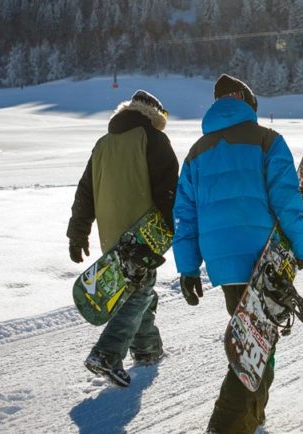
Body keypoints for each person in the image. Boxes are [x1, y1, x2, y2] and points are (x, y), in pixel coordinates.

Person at [173, 74, 303, 433]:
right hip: (264, 257)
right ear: (248, 103)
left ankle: (251, 416)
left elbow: (184, 215)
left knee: (253, 338)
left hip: (223, 263)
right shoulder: (268, 140)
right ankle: (225, 424)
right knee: (255, 345)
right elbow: (287, 201)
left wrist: (189, 268)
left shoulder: (196, 153)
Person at [66, 89, 179, 387]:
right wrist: (174, 229)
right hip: (142, 234)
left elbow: (85, 192)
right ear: (154, 114)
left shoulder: (103, 144)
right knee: (140, 290)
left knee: (138, 288)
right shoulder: (152, 138)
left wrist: (78, 232)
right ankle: (107, 353)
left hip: (111, 235)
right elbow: (168, 191)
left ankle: (146, 349)